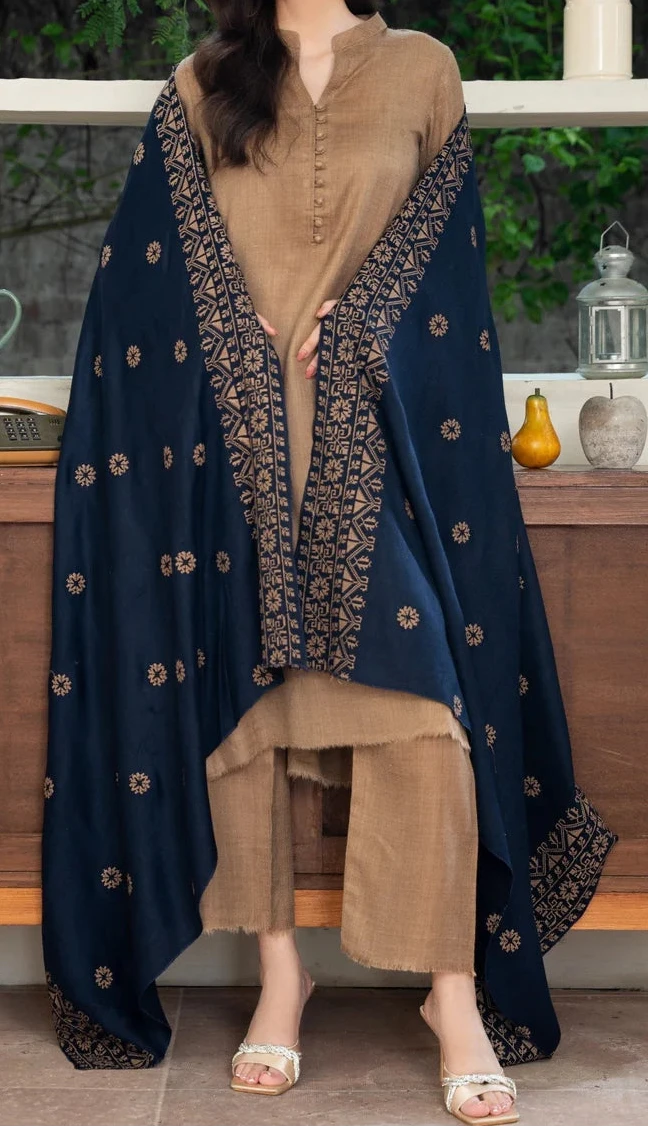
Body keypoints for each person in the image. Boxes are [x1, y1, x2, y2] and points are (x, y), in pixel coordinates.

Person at [42, 0, 615, 1120]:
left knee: (426, 710)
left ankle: (450, 991)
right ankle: (281, 978)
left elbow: (451, 267)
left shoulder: (421, 71)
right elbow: (142, 280)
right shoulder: (204, 83)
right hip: (226, 453)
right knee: (243, 716)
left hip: (379, 445)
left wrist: (364, 322)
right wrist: (231, 361)